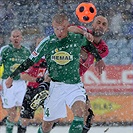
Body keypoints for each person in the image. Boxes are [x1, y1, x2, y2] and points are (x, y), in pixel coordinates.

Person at [5, 13, 105, 133]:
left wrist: (98, 58)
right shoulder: (48, 42)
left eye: (63, 28)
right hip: (55, 86)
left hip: (74, 85)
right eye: (57, 29)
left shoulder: (75, 38)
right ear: (53, 27)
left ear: (67, 26)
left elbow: (88, 45)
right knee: (47, 126)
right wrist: (11, 76)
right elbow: (30, 61)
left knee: (80, 114)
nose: (60, 32)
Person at [68, 15, 109, 133]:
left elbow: (89, 51)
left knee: (89, 117)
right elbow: (69, 29)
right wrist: (84, 33)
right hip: (61, 75)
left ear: (106, 29)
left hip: (75, 80)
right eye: (98, 22)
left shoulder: (104, 49)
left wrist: (97, 58)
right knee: (51, 121)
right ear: (93, 24)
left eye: (104, 24)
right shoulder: (84, 31)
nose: (100, 26)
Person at [17, 37, 50, 133]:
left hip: (47, 91)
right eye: (39, 43)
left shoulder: (52, 58)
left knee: (52, 119)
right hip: (32, 90)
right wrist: (37, 79)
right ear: (36, 46)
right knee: (24, 120)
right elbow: (23, 75)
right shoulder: (33, 59)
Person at [0, 29, 31, 133]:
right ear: (10, 38)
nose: (15, 38)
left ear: (21, 38)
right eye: (13, 36)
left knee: (24, 112)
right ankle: (9, 130)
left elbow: (30, 68)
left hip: (21, 84)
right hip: (8, 83)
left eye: (17, 36)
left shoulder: (26, 51)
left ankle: (21, 130)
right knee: (12, 113)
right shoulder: (5, 50)